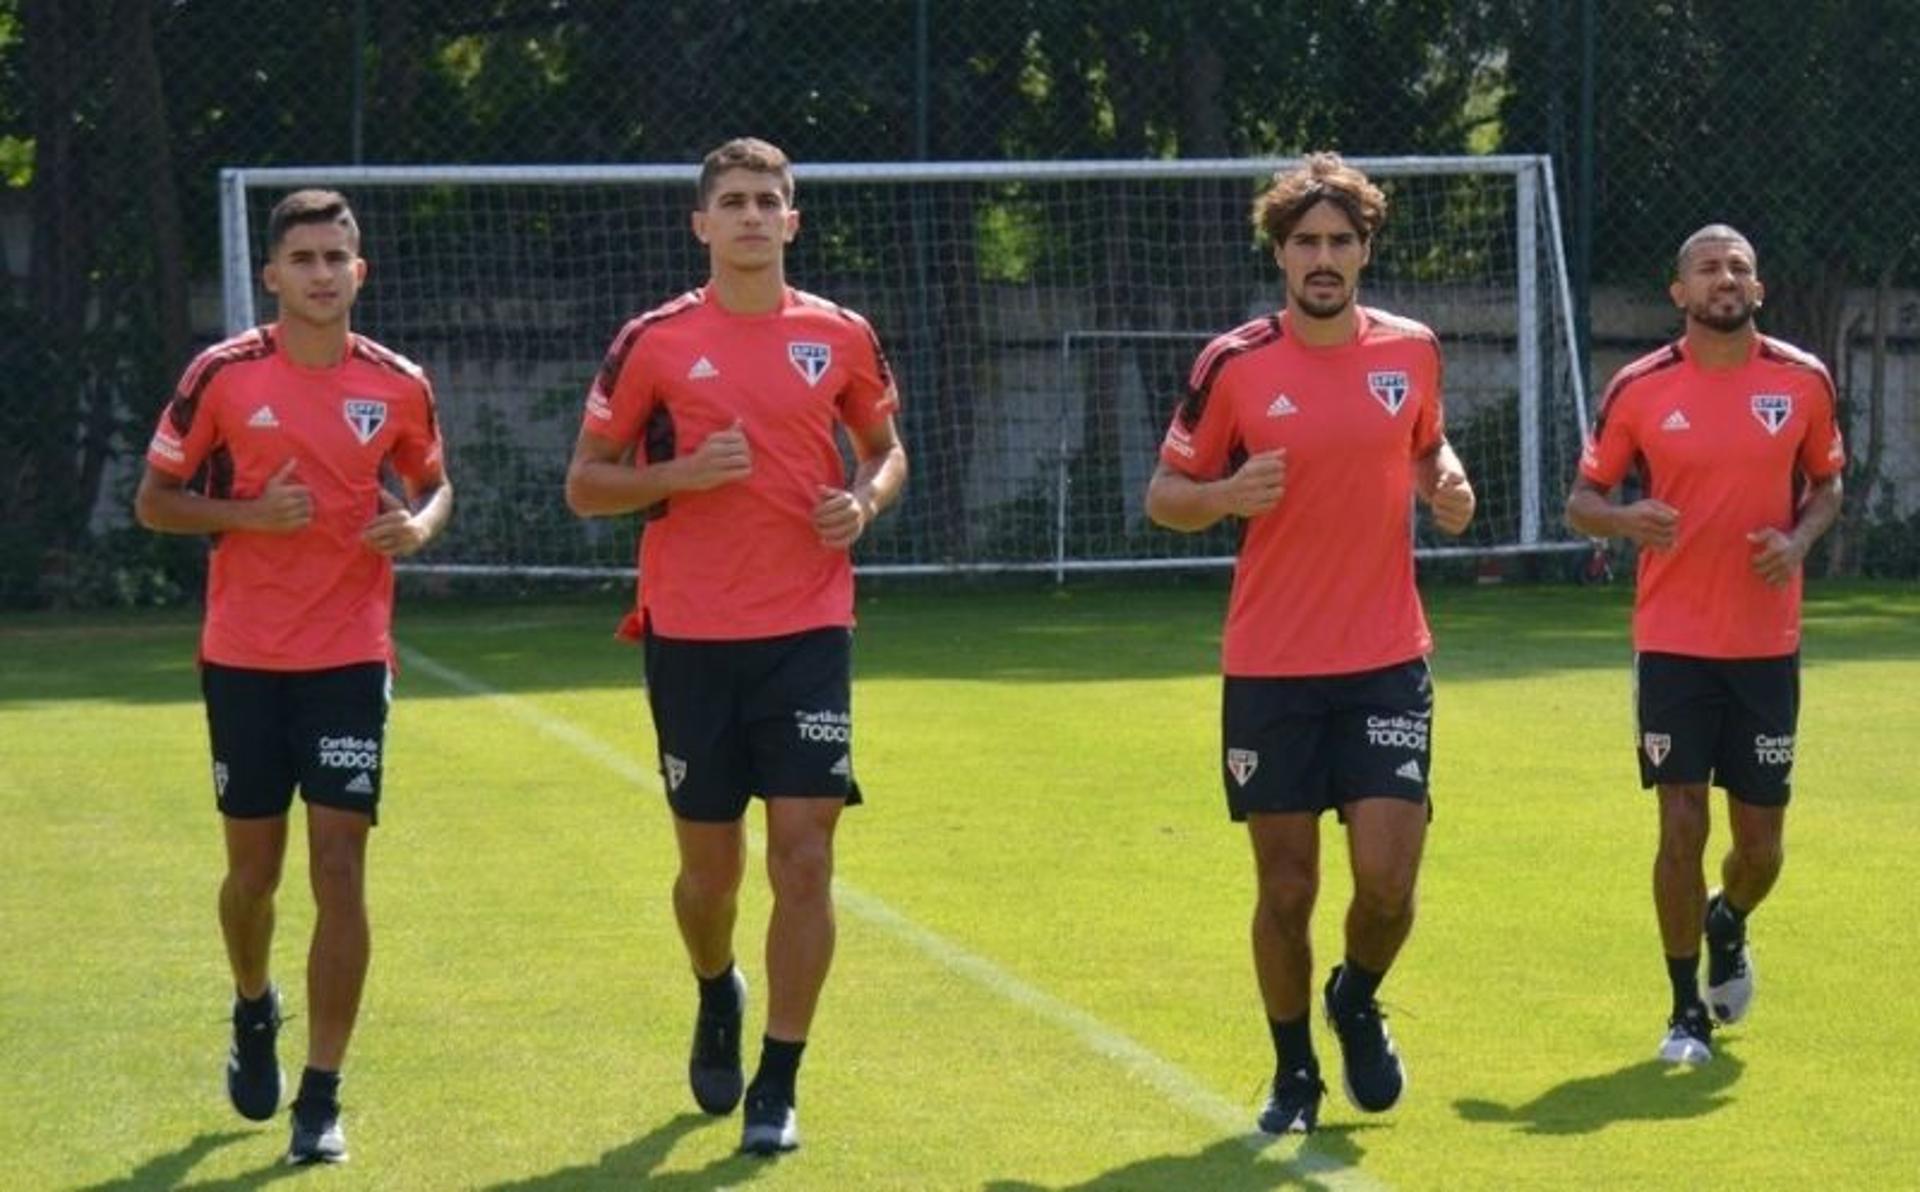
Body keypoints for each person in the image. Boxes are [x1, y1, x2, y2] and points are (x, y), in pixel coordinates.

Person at [565, 137, 907, 1157]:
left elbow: (887, 452)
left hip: (808, 630)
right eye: (734, 202)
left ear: (793, 221)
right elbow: (587, 482)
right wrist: (681, 477)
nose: (753, 216)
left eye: (770, 200)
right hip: (691, 636)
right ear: (701, 223)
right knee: (709, 875)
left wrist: (863, 501)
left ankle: (778, 1077)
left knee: (804, 857)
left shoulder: (841, 336)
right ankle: (717, 987)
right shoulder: (656, 342)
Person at [1144, 153, 1475, 1135]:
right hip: (1272, 667)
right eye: (1305, 242)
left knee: (1388, 879)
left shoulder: (1411, 350)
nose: (1323, 258)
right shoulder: (1233, 364)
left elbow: (1425, 440)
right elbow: (1165, 497)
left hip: (1384, 658)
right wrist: (1223, 495)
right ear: (1281, 253)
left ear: (1366, 248)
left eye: (1340, 240)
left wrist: (1444, 478)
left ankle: (1357, 994)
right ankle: (1294, 1072)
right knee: (1285, 887)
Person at [135, 189, 452, 1165]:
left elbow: (435, 482)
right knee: (253, 876)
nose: (321, 273)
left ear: (360, 273)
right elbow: (155, 502)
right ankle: (250, 1002)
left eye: (336, 258)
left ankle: (321, 1093)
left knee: (340, 865)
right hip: (243, 659)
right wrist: (242, 515)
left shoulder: (398, 384)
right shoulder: (222, 376)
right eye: (303, 258)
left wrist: (420, 524)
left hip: (350, 655)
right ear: (272, 276)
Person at [1566, 224, 1844, 1065]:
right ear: (1678, 292)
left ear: (1757, 291)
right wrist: (1623, 519)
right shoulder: (1640, 388)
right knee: (1680, 823)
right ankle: (1684, 1010)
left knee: (1760, 847)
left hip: (1765, 644)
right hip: (1675, 642)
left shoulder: (1802, 380)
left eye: (1740, 268)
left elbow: (1828, 482)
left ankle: (1728, 921)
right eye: (1708, 268)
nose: (1726, 278)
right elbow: (1584, 499)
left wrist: (1797, 542)